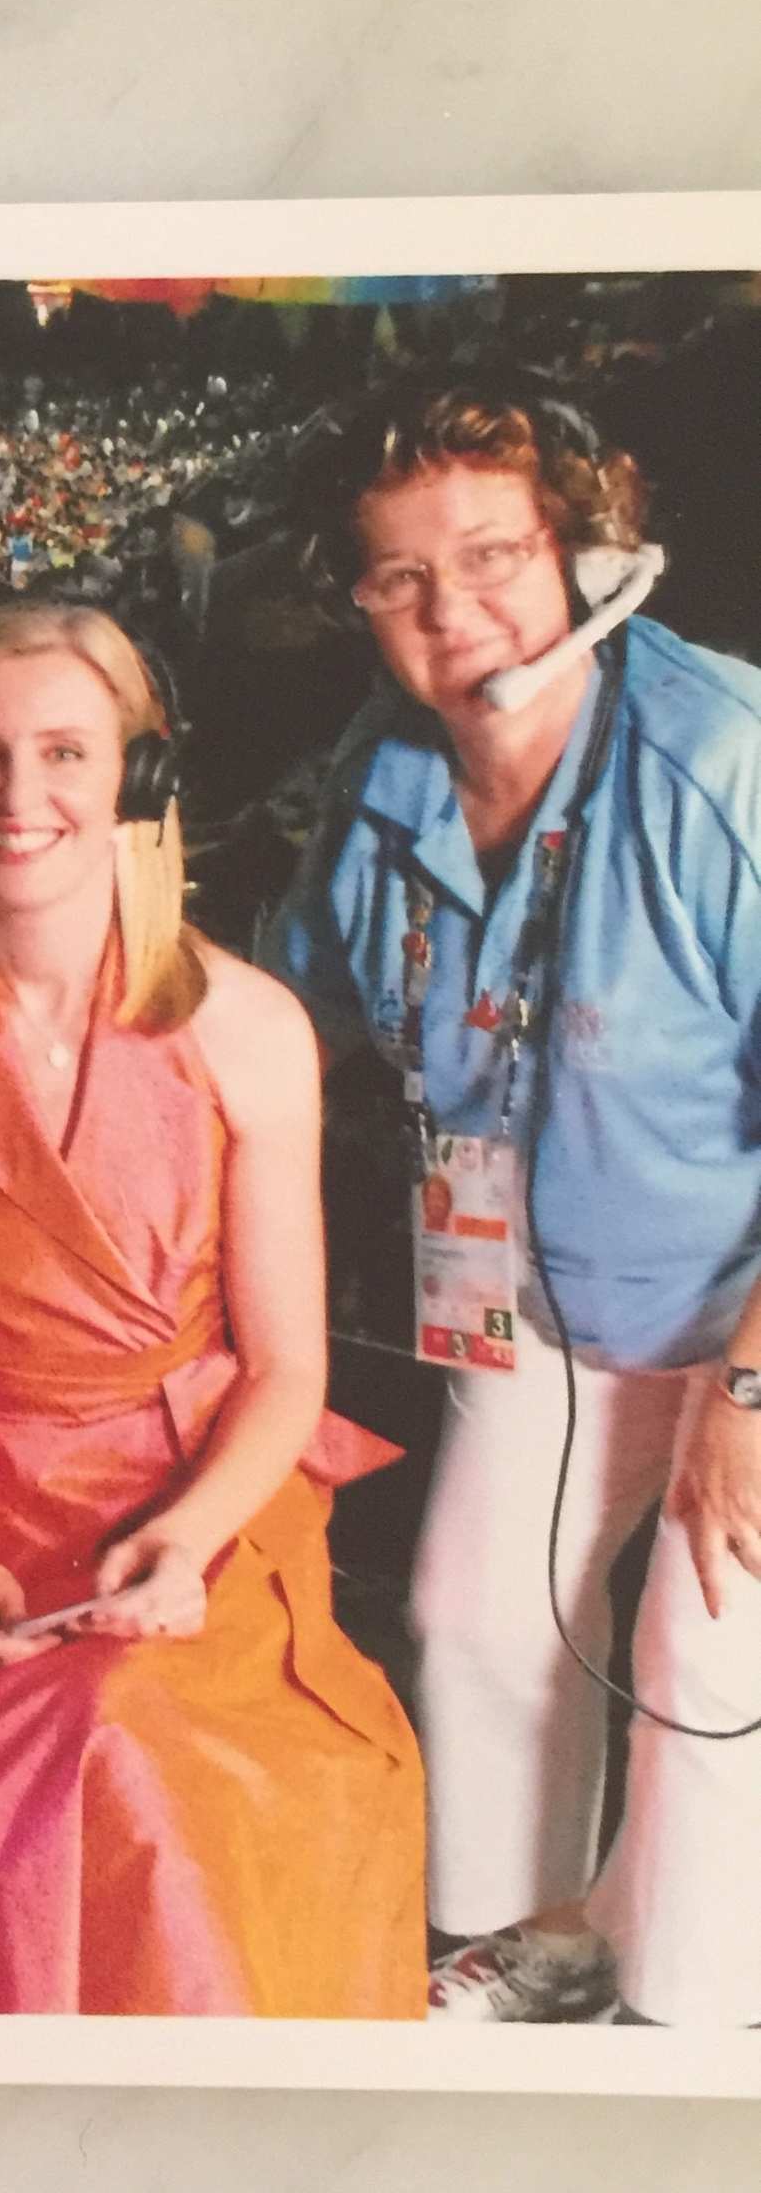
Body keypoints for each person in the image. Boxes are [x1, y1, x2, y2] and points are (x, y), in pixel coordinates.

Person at [0, 600, 424, 2016]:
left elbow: (284, 1366)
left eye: (64, 753)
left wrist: (184, 1543)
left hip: (199, 1496)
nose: (17, 800)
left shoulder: (253, 1030)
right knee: (60, 1764)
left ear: (139, 779)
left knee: (168, 1748)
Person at [266, 375, 761, 2028]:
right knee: (471, 1615)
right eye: (399, 578)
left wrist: (748, 1390)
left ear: (582, 551)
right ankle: (527, 1944)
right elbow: (285, 1014)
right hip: (538, 1294)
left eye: (488, 555)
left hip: (746, 1313)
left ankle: (685, 2027)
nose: (450, 612)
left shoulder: (723, 768)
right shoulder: (381, 774)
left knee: (701, 1667)